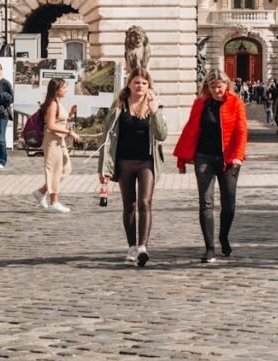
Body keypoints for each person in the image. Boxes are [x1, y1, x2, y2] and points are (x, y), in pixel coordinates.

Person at [174, 68, 248, 263]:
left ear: (227, 86)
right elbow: (191, 129)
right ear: (208, 87)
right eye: (213, 86)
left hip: (229, 159)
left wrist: (239, 156)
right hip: (204, 157)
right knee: (206, 202)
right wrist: (183, 157)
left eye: (220, 86)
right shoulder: (200, 103)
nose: (217, 90)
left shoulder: (236, 103)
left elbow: (242, 131)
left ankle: (223, 236)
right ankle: (209, 247)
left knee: (229, 205)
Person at [98, 67, 168, 266]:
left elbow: (162, 135)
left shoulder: (154, 106)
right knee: (129, 205)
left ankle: (143, 246)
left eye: (144, 83)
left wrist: (155, 112)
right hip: (124, 162)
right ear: (129, 84)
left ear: (149, 87)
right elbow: (107, 139)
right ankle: (131, 246)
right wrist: (103, 170)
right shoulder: (119, 106)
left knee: (144, 202)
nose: (140, 86)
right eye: (137, 82)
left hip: (146, 161)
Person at [32, 78, 83, 213]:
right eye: (64, 87)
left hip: (59, 141)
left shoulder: (58, 103)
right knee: (54, 169)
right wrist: (70, 132)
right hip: (52, 140)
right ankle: (54, 202)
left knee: (66, 168)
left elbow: (59, 120)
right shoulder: (52, 104)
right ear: (56, 90)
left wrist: (70, 114)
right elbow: (51, 125)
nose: (66, 90)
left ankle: (41, 192)